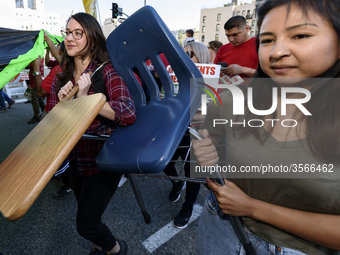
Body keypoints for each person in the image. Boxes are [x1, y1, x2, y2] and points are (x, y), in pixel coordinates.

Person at [193, 0, 340, 254]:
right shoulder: (231, 101)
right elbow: (209, 158)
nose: (276, 52)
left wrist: (251, 207)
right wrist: (204, 154)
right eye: (268, 40)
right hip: (218, 226)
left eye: (300, 35)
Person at [49, 13, 136, 255]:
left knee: (85, 225)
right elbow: (52, 122)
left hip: (103, 160)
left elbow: (128, 113)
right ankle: (100, 247)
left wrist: (89, 100)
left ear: (93, 39)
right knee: (90, 217)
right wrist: (63, 102)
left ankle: (117, 249)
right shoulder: (62, 77)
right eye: (68, 32)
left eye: (78, 33)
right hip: (76, 160)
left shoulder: (106, 71)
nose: (70, 38)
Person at [163, 42, 209, 229]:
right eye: (182, 53)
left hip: (198, 132)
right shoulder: (176, 74)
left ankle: (187, 207)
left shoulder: (213, 79)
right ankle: (176, 183)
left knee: (193, 174)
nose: (184, 57)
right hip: (176, 131)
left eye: (189, 54)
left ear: (200, 55)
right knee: (166, 163)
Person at [32, 41, 73, 200]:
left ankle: (68, 182)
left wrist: (36, 69)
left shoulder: (59, 70)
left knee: (59, 151)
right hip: (71, 117)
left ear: (62, 53)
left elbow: (41, 91)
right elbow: (52, 58)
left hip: (56, 119)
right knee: (67, 150)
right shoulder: (76, 68)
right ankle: (66, 178)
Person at [27, 57, 45, 124]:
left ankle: (36, 116)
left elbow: (28, 66)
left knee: (34, 99)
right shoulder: (39, 57)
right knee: (39, 98)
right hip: (37, 81)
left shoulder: (36, 58)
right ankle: (44, 111)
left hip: (35, 82)